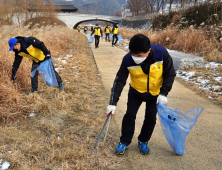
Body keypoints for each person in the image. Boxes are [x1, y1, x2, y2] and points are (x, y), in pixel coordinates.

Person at [107, 34, 176, 155]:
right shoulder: (127, 59)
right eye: (133, 54)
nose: (135, 58)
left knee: (150, 119)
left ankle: (143, 141)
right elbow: (120, 80)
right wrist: (113, 103)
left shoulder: (161, 54)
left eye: (138, 56)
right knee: (130, 115)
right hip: (136, 92)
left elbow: (170, 74)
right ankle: (124, 141)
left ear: (148, 51)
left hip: (155, 94)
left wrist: (164, 93)